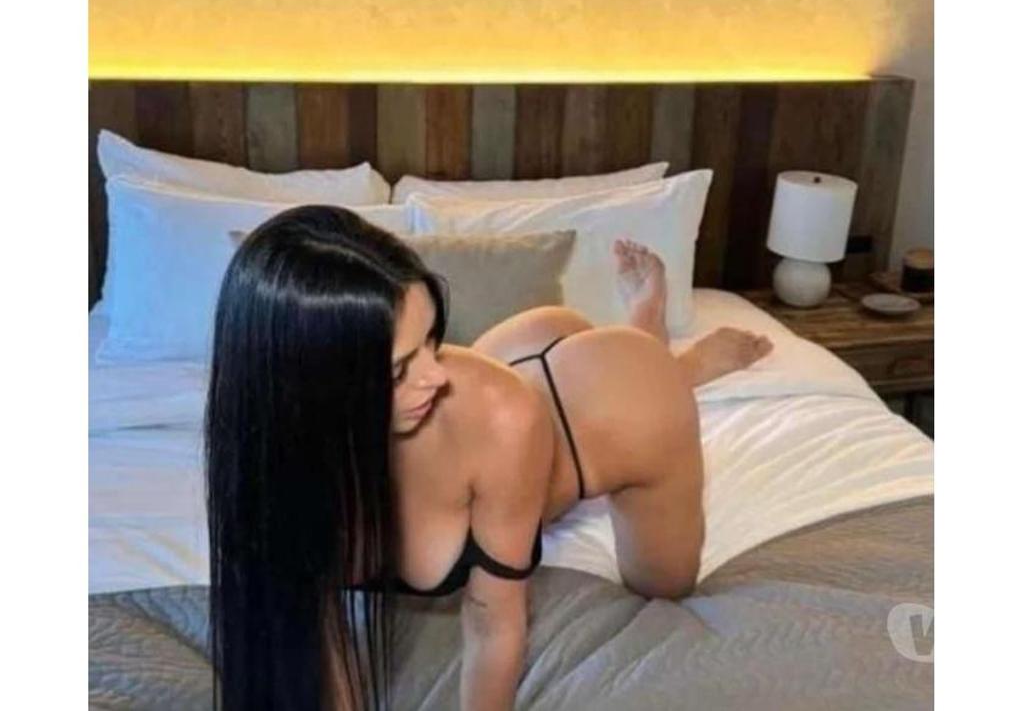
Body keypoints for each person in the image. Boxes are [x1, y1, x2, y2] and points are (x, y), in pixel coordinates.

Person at [205, 205, 772, 711]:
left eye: (433, 339)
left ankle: (659, 340)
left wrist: (651, 369)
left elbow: (492, 622)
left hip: (605, 410)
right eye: (399, 368)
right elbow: (314, 631)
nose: (435, 374)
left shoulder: (498, 415)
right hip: (507, 372)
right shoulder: (266, 461)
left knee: (663, 582)